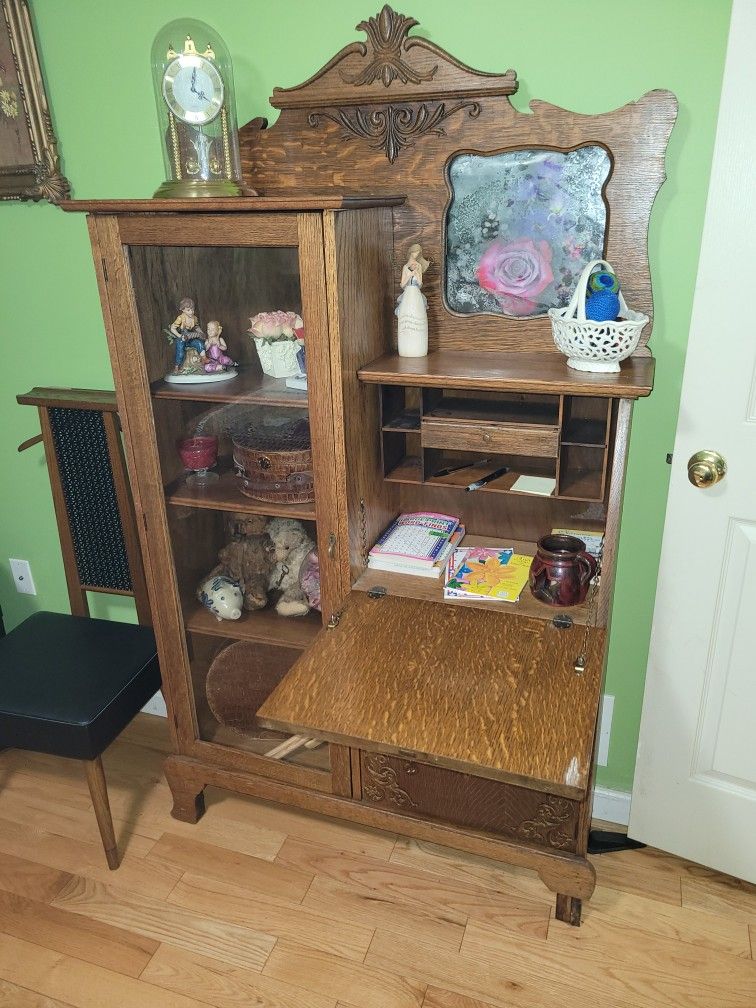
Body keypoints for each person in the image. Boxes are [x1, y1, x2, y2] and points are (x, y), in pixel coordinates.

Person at [170, 298, 205, 372]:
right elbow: (172, 328)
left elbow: (196, 326)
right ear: (183, 310)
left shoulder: (194, 318)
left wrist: (201, 333)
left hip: (190, 337)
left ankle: (204, 359)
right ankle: (177, 366)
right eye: (188, 310)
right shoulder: (181, 318)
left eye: (192, 309)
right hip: (182, 337)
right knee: (180, 352)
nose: (191, 312)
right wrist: (179, 336)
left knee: (199, 343)